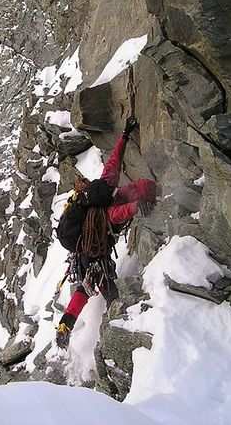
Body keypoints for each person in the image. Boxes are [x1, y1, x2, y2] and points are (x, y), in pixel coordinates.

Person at [56, 117, 156, 349]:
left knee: (86, 287)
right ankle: (115, 320)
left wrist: (124, 135)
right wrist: (136, 207)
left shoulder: (102, 190)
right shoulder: (106, 210)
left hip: (86, 252)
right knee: (103, 287)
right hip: (93, 256)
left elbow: (114, 162)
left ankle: (67, 325)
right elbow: (120, 213)